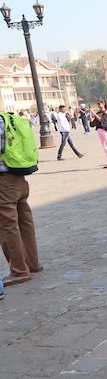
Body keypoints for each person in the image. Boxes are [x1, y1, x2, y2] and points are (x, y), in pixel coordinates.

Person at [0, 114, 42, 292]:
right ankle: (32, 263)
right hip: (19, 175)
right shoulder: (9, 118)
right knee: (25, 220)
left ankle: (19, 270)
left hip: (3, 180)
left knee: (7, 224)